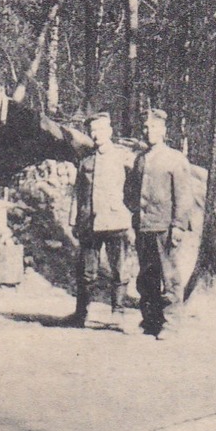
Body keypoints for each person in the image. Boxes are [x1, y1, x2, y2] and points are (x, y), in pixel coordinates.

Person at [128, 108, 192, 339]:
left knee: (170, 276)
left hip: (165, 227)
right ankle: (150, 321)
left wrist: (178, 225)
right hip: (144, 226)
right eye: (145, 127)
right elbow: (131, 192)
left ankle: (171, 323)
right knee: (147, 277)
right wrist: (134, 218)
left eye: (153, 127)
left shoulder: (175, 159)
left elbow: (184, 197)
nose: (148, 132)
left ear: (163, 131)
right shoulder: (140, 159)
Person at [68, 112, 135, 330]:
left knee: (119, 269)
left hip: (115, 220)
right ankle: (81, 314)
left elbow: (134, 189)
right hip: (89, 222)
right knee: (87, 272)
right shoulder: (86, 160)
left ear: (110, 132)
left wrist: (129, 213)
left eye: (101, 130)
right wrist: (74, 220)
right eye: (93, 131)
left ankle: (118, 313)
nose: (96, 135)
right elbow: (77, 192)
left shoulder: (121, 157)